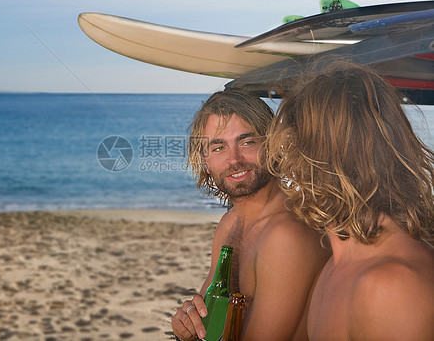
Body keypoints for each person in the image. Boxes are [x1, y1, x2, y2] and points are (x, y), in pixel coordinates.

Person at [265, 61, 434, 340]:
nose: (287, 165)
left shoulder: (392, 286)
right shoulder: (335, 266)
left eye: (291, 145)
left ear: (311, 158)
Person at [171, 90, 330, 340]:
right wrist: (188, 324)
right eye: (219, 147)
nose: (234, 159)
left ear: (272, 144)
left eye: (247, 142)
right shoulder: (230, 223)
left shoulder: (286, 234)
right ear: (205, 161)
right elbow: (210, 319)